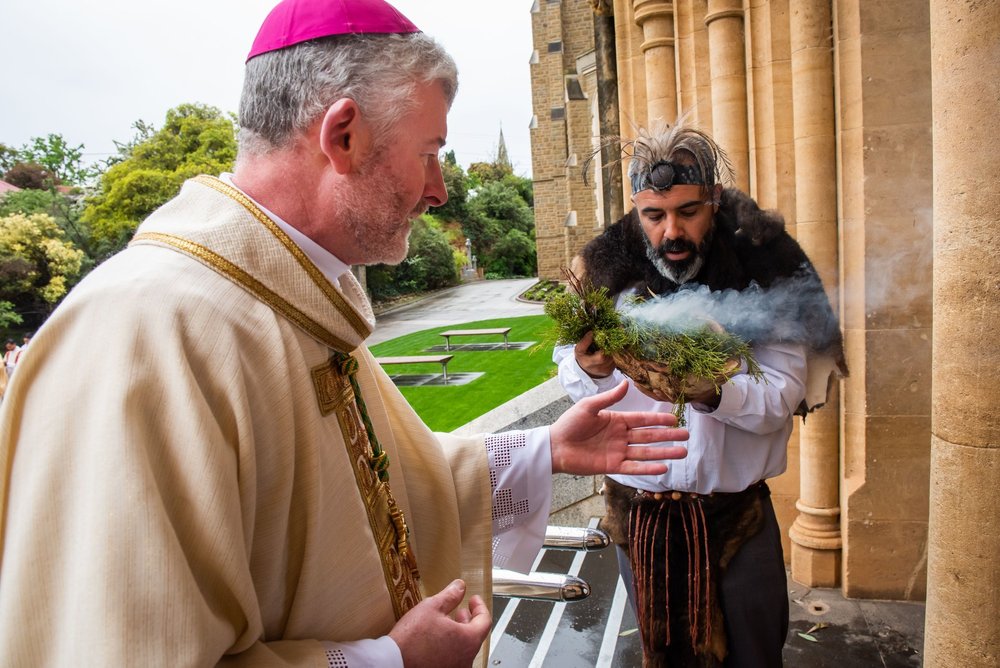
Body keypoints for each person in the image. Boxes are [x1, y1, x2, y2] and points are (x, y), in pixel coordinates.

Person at [0, 2, 693, 666]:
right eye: (429, 153)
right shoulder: (144, 332)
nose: (439, 191)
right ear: (344, 135)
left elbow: (380, 495)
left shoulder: (303, 297)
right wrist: (388, 660)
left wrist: (545, 451)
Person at [554, 123, 846, 667]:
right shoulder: (602, 269)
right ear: (637, 211)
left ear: (713, 201)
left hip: (736, 521)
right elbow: (570, 378)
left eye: (688, 212)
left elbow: (780, 397)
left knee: (754, 659)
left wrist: (712, 391)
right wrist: (586, 369)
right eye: (655, 215)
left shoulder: (765, 269)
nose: (672, 233)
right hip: (638, 519)